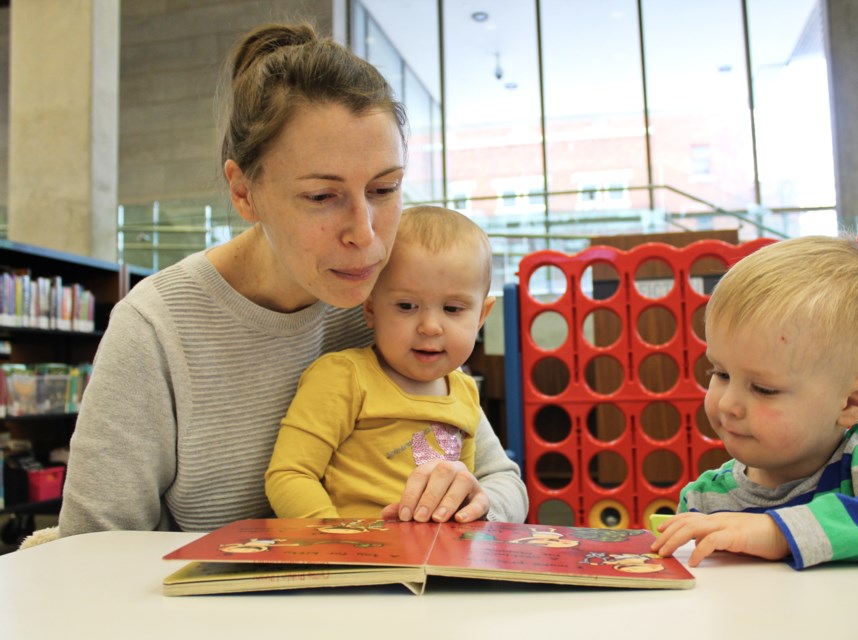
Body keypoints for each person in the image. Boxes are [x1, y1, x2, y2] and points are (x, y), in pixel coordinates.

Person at [56, 22, 527, 538]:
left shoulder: (401, 296)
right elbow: (90, 550)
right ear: (244, 193)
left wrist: (473, 499)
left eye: (384, 188)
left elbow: (503, 480)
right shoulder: (157, 329)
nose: (365, 235)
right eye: (323, 197)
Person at [650, 235, 858, 569]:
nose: (727, 404)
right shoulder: (703, 501)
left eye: (763, 389)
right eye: (721, 373)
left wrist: (780, 532)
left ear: (852, 401)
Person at [266, 205, 501, 522]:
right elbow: (289, 474)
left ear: (481, 317)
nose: (430, 326)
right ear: (371, 308)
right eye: (406, 305)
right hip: (359, 562)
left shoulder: (465, 392)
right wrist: (335, 539)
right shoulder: (343, 377)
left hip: (437, 560)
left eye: (453, 308)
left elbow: (464, 490)